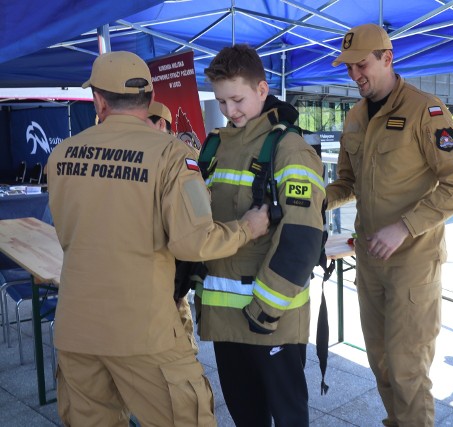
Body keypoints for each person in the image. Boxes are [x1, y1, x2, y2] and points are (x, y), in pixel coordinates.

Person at [46, 51, 269, 426]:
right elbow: (193, 242)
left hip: (76, 329)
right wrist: (248, 228)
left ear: (98, 101)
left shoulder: (61, 155)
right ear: (149, 99)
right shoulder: (171, 155)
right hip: (143, 331)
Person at [326, 24, 453, 426]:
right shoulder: (356, 116)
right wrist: (317, 199)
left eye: (361, 65)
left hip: (414, 263)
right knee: (381, 365)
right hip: (371, 261)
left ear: (387, 58)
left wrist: (405, 227)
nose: (355, 75)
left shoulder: (426, 111)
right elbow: (347, 182)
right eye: (348, 68)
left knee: (408, 371)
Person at [195, 44, 325, 427]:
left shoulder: (290, 149)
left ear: (262, 89)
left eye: (237, 99)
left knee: (287, 418)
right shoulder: (214, 146)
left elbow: (302, 239)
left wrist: (265, 311)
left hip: (271, 319)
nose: (230, 110)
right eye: (221, 101)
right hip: (224, 320)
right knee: (245, 417)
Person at [147, 100, 200, 355]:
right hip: (153, 263)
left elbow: (196, 211)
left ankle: (187, 358)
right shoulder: (143, 155)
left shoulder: (181, 155)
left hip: (176, 258)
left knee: (178, 313)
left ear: (160, 124)